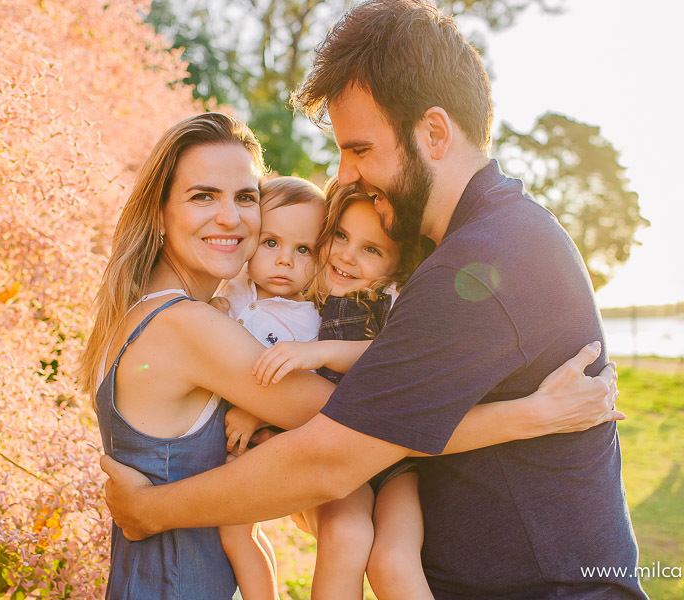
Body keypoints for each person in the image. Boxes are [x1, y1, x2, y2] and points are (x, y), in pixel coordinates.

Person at [99, 1, 646, 599]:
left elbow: (332, 455)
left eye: (360, 149)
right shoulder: (465, 249)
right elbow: (367, 434)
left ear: (434, 134)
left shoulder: (483, 263)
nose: (347, 175)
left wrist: (153, 510)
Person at [250, 179, 433, 600]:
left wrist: (321, 352)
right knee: (343, 535)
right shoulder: (306, 295)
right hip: (332, 454)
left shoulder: (391, 300)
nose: (347, 255)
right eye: (340, 236)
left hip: (394, 463)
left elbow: (391, 356)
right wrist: (256, 411)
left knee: (394, 561)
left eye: (371, 249)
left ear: (397, 264)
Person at [213, 176, 326, 600]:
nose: (285, 261)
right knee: (246, 530)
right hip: (229, 433)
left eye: (303, 250)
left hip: (269, 437)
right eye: (271, 242)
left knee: (235, 531)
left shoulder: (308, 320)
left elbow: (308, 386)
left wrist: (256, 411)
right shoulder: (235, 288)